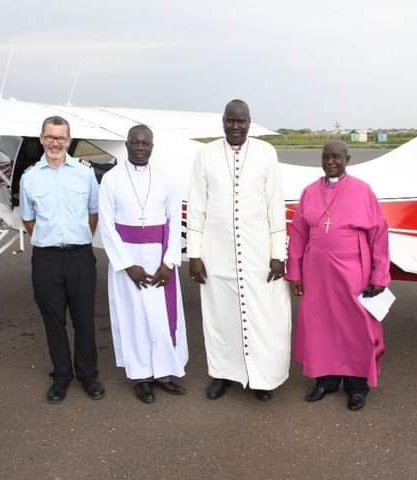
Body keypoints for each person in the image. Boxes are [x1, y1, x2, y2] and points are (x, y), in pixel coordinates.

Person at [186, 99, 291, 402]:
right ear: (222, 121)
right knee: (220, 317)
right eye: (230, 121)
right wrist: (194, 254)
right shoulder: (205, 155)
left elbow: (275, 204)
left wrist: (277, 253)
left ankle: (262, 378)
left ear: (249, 122)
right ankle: (223, 374)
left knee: (264, 317)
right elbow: (196, 207)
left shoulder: (266, 153)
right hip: (216, 254)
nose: (235, 126)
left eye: (241, 121)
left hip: (259, 253)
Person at [285, 140, 390, 411]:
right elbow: (298, 234)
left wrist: (380, 276)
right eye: (326, 157)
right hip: (317, 272)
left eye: (336, 157)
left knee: (356, 326)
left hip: (354, 269)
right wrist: (295, 271)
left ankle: (357, 386)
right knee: (321, 324)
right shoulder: (309, 192)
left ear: (347, 159)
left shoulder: (362, 191)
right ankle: (326, 380)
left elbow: (378, 235)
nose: (331, 162)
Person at [97, 125, 188, 404]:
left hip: (160, 259)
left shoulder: (165, 180)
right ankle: (141, 378)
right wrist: (127, 265)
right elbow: (107, 225)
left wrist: (170, 262)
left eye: (145, 143)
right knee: (133, 319)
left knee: (162, 319)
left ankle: (164, 373)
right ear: (126, 145)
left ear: (151, 146)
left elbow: (174, 223)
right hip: (129, 262)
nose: (140, 147)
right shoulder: (111, 180)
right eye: (135, 142)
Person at [19, 116, 104, 403]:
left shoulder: (84, 173)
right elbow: (28, 220)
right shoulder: (30, 177)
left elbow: (93, 213)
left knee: (84, 320)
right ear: (41, 139)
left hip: (80, 256)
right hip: (46, 259)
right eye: (50, 137)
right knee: (53, 321)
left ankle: (88, 375)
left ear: (69, 140)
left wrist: (78, 238)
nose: (55, 142)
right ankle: (62, 377)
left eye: (61, 137)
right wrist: (50, 240)